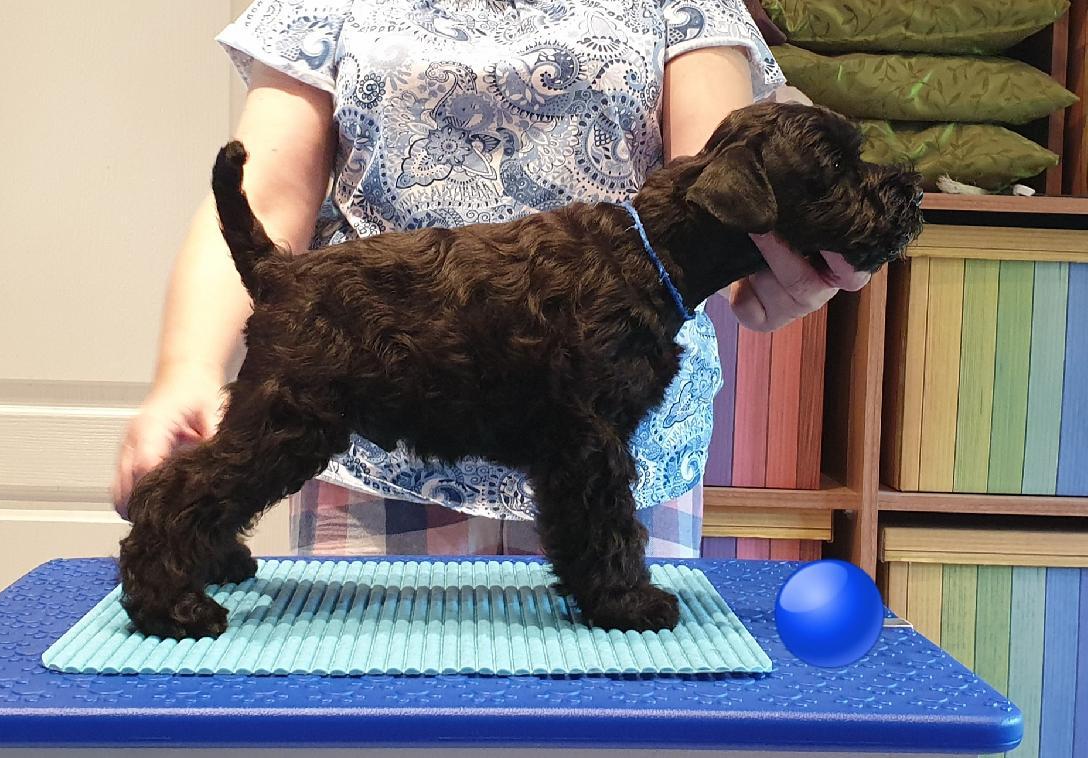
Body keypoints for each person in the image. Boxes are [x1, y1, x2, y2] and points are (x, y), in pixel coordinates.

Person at [112, 0, 870, 559]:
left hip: (623, 442)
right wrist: (186, 371)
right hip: (383, 436)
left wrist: (777, 270)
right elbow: (269, 198)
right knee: (380, 708)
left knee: (619, 695)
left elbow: (712, 186)